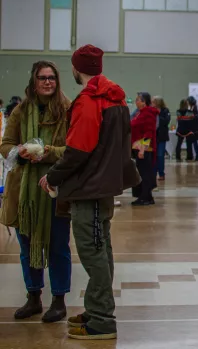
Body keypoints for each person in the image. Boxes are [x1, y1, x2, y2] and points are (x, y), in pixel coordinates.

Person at [41, 44, 140, 340]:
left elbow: (77, 150)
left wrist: (53, 175)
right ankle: (97, 308)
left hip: (89, 188)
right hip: (103, 186)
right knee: (101, 249)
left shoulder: (90, 101)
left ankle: (102, 320)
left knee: (92, 252)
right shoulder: (116, 98)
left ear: (76, 68)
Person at [0, 61, 71, 323]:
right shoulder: (21, 110)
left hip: (55, 189)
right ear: (34, 81)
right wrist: (19, 151)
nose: (48, 82)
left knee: (58, 247)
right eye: (42, 78)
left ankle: (59, 299)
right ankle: (33, 297)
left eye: (52, 77)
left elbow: (73, 150)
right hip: (24, 193)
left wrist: (47, 152)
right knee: (26, 245)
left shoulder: (67, 110)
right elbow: (5, 145)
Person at [131, 92, 159, 206]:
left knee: (145, 174)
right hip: (138, 147)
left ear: (144, 102)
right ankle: (145, 196)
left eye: (138, 100)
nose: (136, 102)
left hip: (144, 149)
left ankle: (145, 197)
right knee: (142, 172)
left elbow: (148, 133)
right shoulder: (139, 113)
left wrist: (143, 149)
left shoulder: (147, 113)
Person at [152, 96, 170, 181]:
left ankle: (161, 173)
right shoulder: (151, 110)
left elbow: (166, 122)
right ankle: (153, 173)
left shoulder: (165, 111)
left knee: (160, 156)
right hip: (153, 136)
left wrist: (159, 114)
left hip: (162, 137)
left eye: (153, 102)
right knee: (153, 156)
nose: (152, 103)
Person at [187, 96, 198, 161]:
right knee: (195, 142)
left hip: (196, 128)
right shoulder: (191, 108)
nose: (187, 103)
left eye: (188, 101)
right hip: (194, 128)